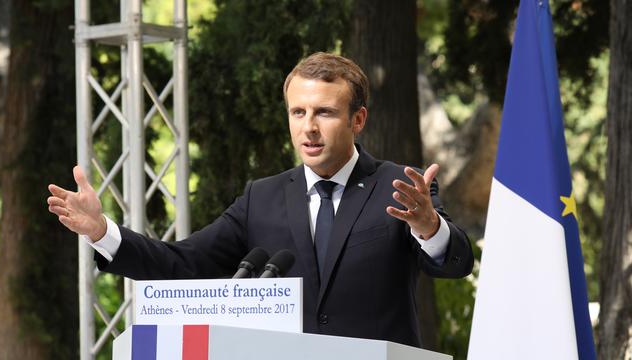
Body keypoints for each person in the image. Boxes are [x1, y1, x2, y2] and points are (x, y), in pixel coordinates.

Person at [47, 52, 473, 347]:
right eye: (297, 112)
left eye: (324, 112)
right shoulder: (262, 198)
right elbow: (182, 263)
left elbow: (454, 264)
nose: (309, 128)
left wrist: (428, 227)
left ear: (357, 119)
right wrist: (103, 233)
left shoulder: (400, 186)